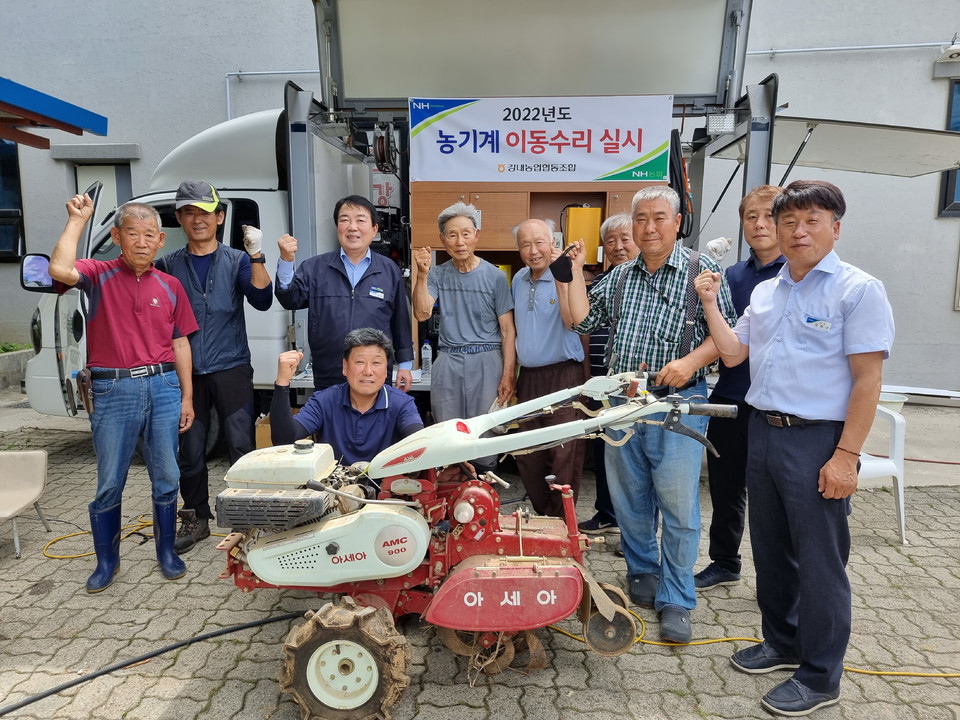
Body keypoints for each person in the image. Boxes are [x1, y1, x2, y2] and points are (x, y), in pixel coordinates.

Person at [695, 180, 894, 716]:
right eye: (789, 222)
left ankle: (820, 674)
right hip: (764, 430)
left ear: (835, 227)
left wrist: (847, 455)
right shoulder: (767, 290)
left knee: (820, 561)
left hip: (818, 440)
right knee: (771, 547)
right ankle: (782, 642)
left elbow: (867, 381)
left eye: (812, 220)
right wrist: (711, 303)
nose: (798, 231)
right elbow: (734, 354)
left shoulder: (857, 289)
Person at [557, 185, 736, 644]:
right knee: (630, 495)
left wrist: (692, 362)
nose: (649, 227)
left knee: (677, 504)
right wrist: (572, 272)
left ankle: (677, 598)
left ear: (677, 223)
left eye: (659, 217)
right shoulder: (618, 278)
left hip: (678, 403)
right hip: (622, 401)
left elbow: (729, 335)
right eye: (641, 218)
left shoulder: (703, 270)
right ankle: (642, 569)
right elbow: (580, 321)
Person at [48, 194, 198, 593]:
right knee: (109, 480)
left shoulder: (170, 285)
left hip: (164, 386)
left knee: (167, 475)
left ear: (161, 241)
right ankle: (106, 562)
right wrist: (77, 220)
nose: (143, 242)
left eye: (151, 234)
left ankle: (166, 554)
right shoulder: (97, 275)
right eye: (133, 233)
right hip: (113, 388)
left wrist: (187, 397)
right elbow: (60, 268)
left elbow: (180, 343)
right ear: (117, 236)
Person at [155, 180, 273, 554]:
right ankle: (195, 518)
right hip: (184, 372)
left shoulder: (236, 260)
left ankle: (245, 517)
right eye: (189, 212)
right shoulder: (167, 266)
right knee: (190, 449)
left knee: (241, 443)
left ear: (220, 217)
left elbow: (262, 299)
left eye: (205, 212)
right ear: (178, 219)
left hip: (231, 366)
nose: (198, 220)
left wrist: (256, 255)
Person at [694, 185, 785, 589]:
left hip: (779, 407)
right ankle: (725, 562)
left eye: (769, 215)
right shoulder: (730, 276)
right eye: (751, 217)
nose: (760, 224)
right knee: (725, 486)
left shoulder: (797, 275)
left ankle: (780, 580)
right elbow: (719, 337)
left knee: (775, 497)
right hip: (731, 396)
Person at [412, 202, 516, 472]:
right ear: (442, 240)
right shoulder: (436, 274)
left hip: (487, 359)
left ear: (476, 236)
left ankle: (482, 498)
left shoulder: (495, 276)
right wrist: (422, 275)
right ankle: (450, 499)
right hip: (449, 358)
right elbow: (422, 313)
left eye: (466, 233)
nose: (460, 241)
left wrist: (508, 374)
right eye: (452, 234)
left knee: (485, 433)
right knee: (448, 433)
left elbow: (507, 330)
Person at [274, 195, 414, 392]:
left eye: (360, 220)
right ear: (337, 227)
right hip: (329, 373)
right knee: (330, 422)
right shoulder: (315, 268)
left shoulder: (388, 270)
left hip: (373, 373)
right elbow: (290, 298)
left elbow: (400, 320)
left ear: (374, 230)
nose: (352, 227)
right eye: (345, 220)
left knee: (374, 422)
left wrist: (406, 365)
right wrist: (287, 261)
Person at [511, 218, 588, 517]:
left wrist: (561, 279)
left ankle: (562, 524)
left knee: (563, 455)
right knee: (529, 455)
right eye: (525, 244)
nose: (533, 251)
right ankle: (544, 519)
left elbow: (574, 322)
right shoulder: (518, 279)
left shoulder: (565, 272)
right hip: (528, 378)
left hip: (564, 376)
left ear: (553, 242)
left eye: (539, 242)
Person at [269, 328, 424, 464]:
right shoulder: (324, 401)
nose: (368, 371)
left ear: (386, 370)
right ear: (345, 367)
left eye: (376, 363)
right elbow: (284, 440)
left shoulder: (402, 404)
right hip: (333, 491)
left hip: (385, 494)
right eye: (360, 362)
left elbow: (420, 444)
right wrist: (282, 382)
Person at [577, 213, 639, 535]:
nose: (617, 246)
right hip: (602, 375)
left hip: (634, 380)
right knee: (604, 446)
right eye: (610, 241)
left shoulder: (646, 282)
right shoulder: (599, 282)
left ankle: (631, 527)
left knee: (633, 454)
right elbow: (584, 326)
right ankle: (607, 514)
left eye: (624, 238)